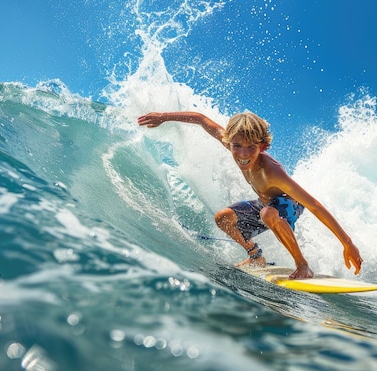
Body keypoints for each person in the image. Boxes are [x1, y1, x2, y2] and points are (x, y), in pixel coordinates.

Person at [137, 111, 362, 279]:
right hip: (264, 204)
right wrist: (163, 117)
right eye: (236, 146)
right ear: (228, 142)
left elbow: (313, 204)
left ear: (262, 146)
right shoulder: (233, 142)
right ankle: (256, 256)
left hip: (288, 205)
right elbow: (200, 119)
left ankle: (302, 264)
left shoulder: (272, 172)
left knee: (268, 213)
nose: (243, 154)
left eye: (251, 147)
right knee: (223, 217)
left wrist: (347, 243)